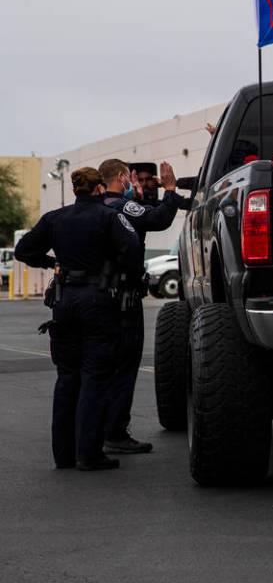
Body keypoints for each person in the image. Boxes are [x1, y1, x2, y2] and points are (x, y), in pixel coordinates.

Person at [14, 167, 143, 471]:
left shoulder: (55, 218)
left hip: (64, 300)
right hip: (98, 301)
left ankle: (64, 454)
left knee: (67, 376)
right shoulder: (109, 216)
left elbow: (23, 250)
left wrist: (53, 262)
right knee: (95, 377)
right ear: (100, 189)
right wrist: (120, 274)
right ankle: (89, 453)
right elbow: (133, 250)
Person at [97, 158, 180, 454]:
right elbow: (159, 219)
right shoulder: (121, 205)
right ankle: (115, 432)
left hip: (94, 296)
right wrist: (169, 190)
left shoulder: (93, 206)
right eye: (133, 179)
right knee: (124, 365)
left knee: (95, 368)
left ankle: (91, 430)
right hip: (122, 300)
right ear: (122, 176)